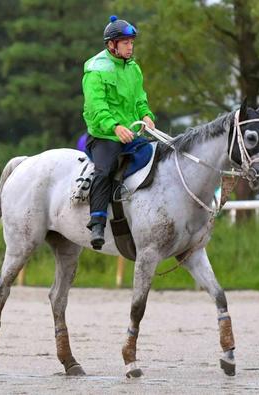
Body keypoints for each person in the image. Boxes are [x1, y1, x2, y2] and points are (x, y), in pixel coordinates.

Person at [82, 15, 155, 250]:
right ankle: (97, 222)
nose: (130, 46)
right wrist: (114, 127)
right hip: (104, 136)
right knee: (104, 171)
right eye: (125, 42)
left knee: (157, 157)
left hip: (132, 134)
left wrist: (146, 115)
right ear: (111, 45)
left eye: (132, 42)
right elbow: (97, 107)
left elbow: (140, 99)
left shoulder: (133, 68)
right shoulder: (95, 69)